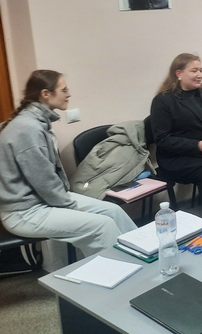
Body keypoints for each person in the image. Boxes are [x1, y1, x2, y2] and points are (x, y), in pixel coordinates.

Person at [0, 70, 136, 257]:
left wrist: (68, 202)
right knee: (102, 226)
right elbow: (44, 181)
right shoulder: (27, 128)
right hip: (24, 211)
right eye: (64, 90)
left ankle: (145, 255)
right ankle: (123, 270)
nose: (69, 94)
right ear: (46, 94)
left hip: (44, 200)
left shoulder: (35, 122)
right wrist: (72, 207)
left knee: (113, 211)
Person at [150, 53, 202, 224]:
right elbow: (162, 139)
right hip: (177, 157)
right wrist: (196, 146)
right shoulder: (163, 101)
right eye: (194, 71)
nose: (199, 75)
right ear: (178, 73)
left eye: (201, 70)